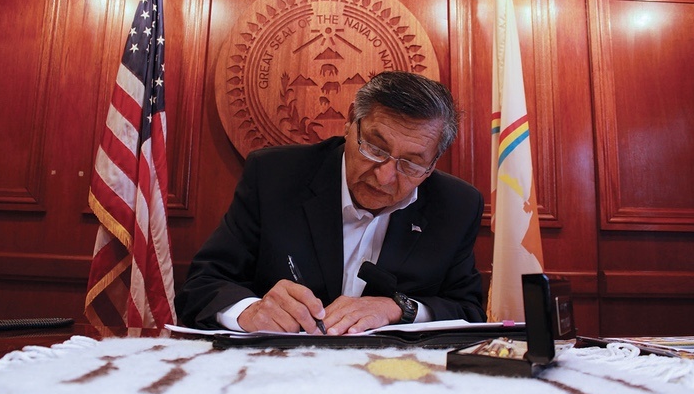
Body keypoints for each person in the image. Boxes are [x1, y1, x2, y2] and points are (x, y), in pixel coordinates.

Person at [175, 71, 486, 334]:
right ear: (350, 122)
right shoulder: (274, 176)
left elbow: (469, 310)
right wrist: (249, 311)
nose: (385, 177)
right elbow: (203, 285)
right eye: (375, 148)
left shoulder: (456, 206)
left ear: (432, 164)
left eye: (412, 164)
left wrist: (398, 308)